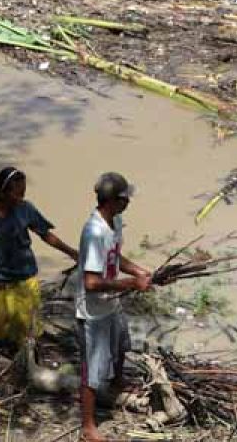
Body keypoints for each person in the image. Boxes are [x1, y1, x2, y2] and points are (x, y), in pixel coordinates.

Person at [0, 166, 78, 354]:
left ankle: (24, 354)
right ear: (3, 192)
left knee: (26, 327)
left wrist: (71, 252)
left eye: (23, 193)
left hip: (23, 276)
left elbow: (45, 235)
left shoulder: (25, 209)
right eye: (18, 193)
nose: (21, 198)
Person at [76, 171, 153, 442]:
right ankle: (88, 425)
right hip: (93, 311)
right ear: (114, 201)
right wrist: (131, 284)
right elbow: (92, 283)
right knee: (92, 370)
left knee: (121, 344)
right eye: (125, 198)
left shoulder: (115, 222)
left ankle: (118, 382)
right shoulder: (94, 232)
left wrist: (139, 271)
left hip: (112, 304)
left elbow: (115, 257)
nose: (129, 202)